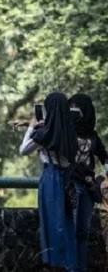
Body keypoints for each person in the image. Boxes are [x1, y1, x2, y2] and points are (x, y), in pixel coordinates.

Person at [19, 92, 78, 269]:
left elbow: (23, 149)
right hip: (68, 179)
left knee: (52, 222)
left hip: (50, 178)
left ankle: (55, 264)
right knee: (66, 224)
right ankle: (70, 265)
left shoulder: (44, 134)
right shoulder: (71, 132)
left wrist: (31, 127)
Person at [68, 93, 108, 272]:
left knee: (83, 232)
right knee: (72, 228)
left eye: (78, 108)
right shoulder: (66, 130)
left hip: (88, 185)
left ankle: (80, 268)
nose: (74, 111)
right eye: (71, 107)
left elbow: (103, 155)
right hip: (71, 184)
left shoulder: (92, 134)